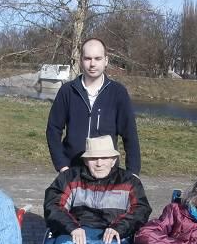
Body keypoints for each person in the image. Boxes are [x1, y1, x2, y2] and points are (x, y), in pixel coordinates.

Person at [46, 38, 141, 175]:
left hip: (107, 172)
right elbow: (53, 130)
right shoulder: (67, 91)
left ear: (106, 60)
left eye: (98, 58)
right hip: (73, 171)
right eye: (87, 58)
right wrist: (62, 165)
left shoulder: (118, 92)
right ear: (81, 60)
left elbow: (130, 134)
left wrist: (133, 173)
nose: (92, 64)